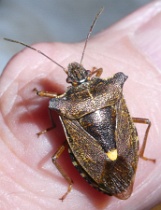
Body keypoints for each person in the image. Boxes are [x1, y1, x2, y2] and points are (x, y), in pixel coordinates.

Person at [0, 1, 161, 210]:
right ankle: (139, 155)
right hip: (112, 143)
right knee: (146, 122)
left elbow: (51, 104)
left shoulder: (64, 104)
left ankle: (70, 184)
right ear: (88, 74)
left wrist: (48, 119)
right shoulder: (103, 91)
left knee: (57, 156)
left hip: (95, 153)